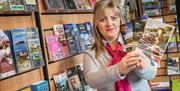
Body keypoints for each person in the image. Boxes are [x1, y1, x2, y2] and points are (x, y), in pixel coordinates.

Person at [83, 0, 157, 91]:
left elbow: (152, 74)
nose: (109, 24)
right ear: (96, 25)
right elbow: (91, 81)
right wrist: (118, 69)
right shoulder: (90, 53)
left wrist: (142, 67)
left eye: (113, 18)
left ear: (120, 20)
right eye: (102, 19)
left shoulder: (137, 39)